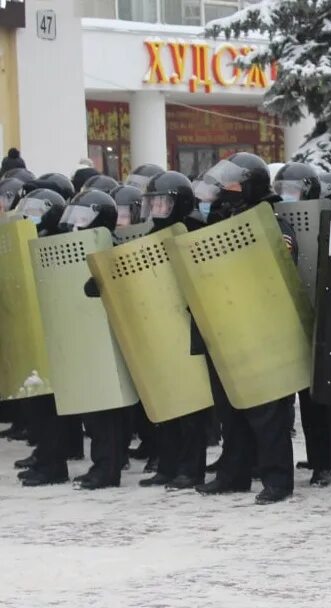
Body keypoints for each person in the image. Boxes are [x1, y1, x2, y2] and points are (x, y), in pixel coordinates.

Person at [192, 152, 298, 505]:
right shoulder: (221, 217)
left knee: (268, 411)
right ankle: (233, 474)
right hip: (225, 323)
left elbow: (282, 261)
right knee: (229, 408)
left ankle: (277, 479)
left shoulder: (272, 220)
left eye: (234, 183)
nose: (227, 189)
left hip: (262, 326)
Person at [135, 171, 212, 491]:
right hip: (156, 324)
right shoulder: (149, 233)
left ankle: (191, 469)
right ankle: (166, 465)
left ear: (179, 202)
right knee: (164, 401)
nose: (157, 208)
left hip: (187, 325)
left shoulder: (195, 229)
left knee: (191, 403)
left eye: (163, 201)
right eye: (152, 202)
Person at [274, 160, 331, 487]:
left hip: (320, 316)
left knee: (316, 400)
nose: (286, 196)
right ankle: (312, 458)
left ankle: (324, 462)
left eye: (293, 190)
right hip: (287, 316)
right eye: (282, 190)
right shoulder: (274, 219)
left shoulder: (324, 217)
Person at [8, 188, 78, 487]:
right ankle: (46, 456)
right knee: (36, 403)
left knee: (50, 405)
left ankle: (54, 463)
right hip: (33, 332)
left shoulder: (56, 240)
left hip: (53, 331)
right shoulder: (26, 239)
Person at [65, 190, 132, 490]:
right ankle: (102, 464)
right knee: (94, 413)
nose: (76, 223)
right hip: (89, 339)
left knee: (106, 413)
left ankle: (108, 468)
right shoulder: (77, 247)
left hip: (107, 340)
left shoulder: (110, 247)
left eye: (83, 216)